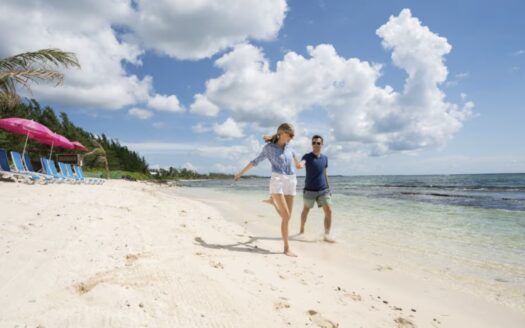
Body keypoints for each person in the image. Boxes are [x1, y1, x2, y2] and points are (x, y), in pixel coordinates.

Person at [234, 123, 304, 257]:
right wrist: (240, 174)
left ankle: (273, 203)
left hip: (291, 180)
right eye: (291, 135)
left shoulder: (291, 148)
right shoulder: (269, 148)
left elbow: (298, 165)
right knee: (286, 216)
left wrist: (303, 163)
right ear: (282, 133)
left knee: (287, 217)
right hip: (277, 180)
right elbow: (255, 162)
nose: (292, 138)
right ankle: (286, 248)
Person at [300, 135, 334, 242]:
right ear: (311, 144)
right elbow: (302, 163)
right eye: (314, 142)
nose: (316, 145)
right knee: (306, 210)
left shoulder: (325, 158)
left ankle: (327, 235)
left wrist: (328, 187)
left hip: (323, 189)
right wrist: (300, 164)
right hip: (309, 189)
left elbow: (325, 173)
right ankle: (301, 230)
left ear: (322, 144)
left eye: (318, 143)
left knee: (329, 211)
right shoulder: (307, 156)